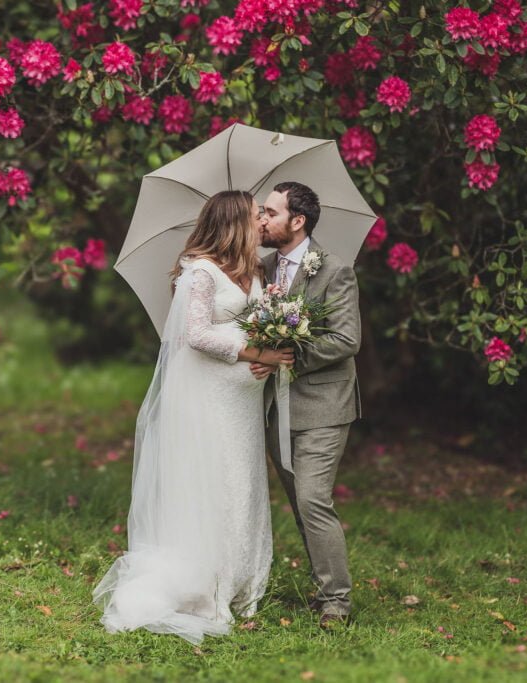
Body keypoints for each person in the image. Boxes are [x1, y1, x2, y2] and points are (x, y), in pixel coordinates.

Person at [93, 190, 294, 645]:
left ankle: (240, 579)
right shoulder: (199, 273)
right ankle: (207, 581)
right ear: (232, 223)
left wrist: (274, 343)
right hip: (209, 398)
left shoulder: (256, 268)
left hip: (243, 402)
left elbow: (260, 319)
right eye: (255, 215)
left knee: (242, 480)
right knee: (213, 481)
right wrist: (256, 351)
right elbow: (196, 334)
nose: (262, 221)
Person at [250, 181, 362, 628]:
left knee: (314, 498)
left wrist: (288, 357)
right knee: (300, 503)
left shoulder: (334, 270)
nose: (262, 219)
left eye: (270, 213)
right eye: (262, 211)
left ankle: (337, 601)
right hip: (275, 407)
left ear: (297, 222)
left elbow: (346, 339)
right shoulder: (261, 268)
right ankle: (323, 587)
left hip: (323, 404)